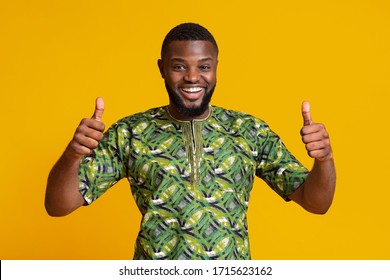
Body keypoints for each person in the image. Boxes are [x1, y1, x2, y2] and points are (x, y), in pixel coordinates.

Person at [45, 23, 336, 260]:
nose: (193, 77)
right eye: (179, 66)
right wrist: (73, 155)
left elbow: (316, 203)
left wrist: (324, 160)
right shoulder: (131, 132)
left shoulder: (249, 130)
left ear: (216, 68)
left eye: (204, 67)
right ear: (161, 69)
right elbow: (59, 205)